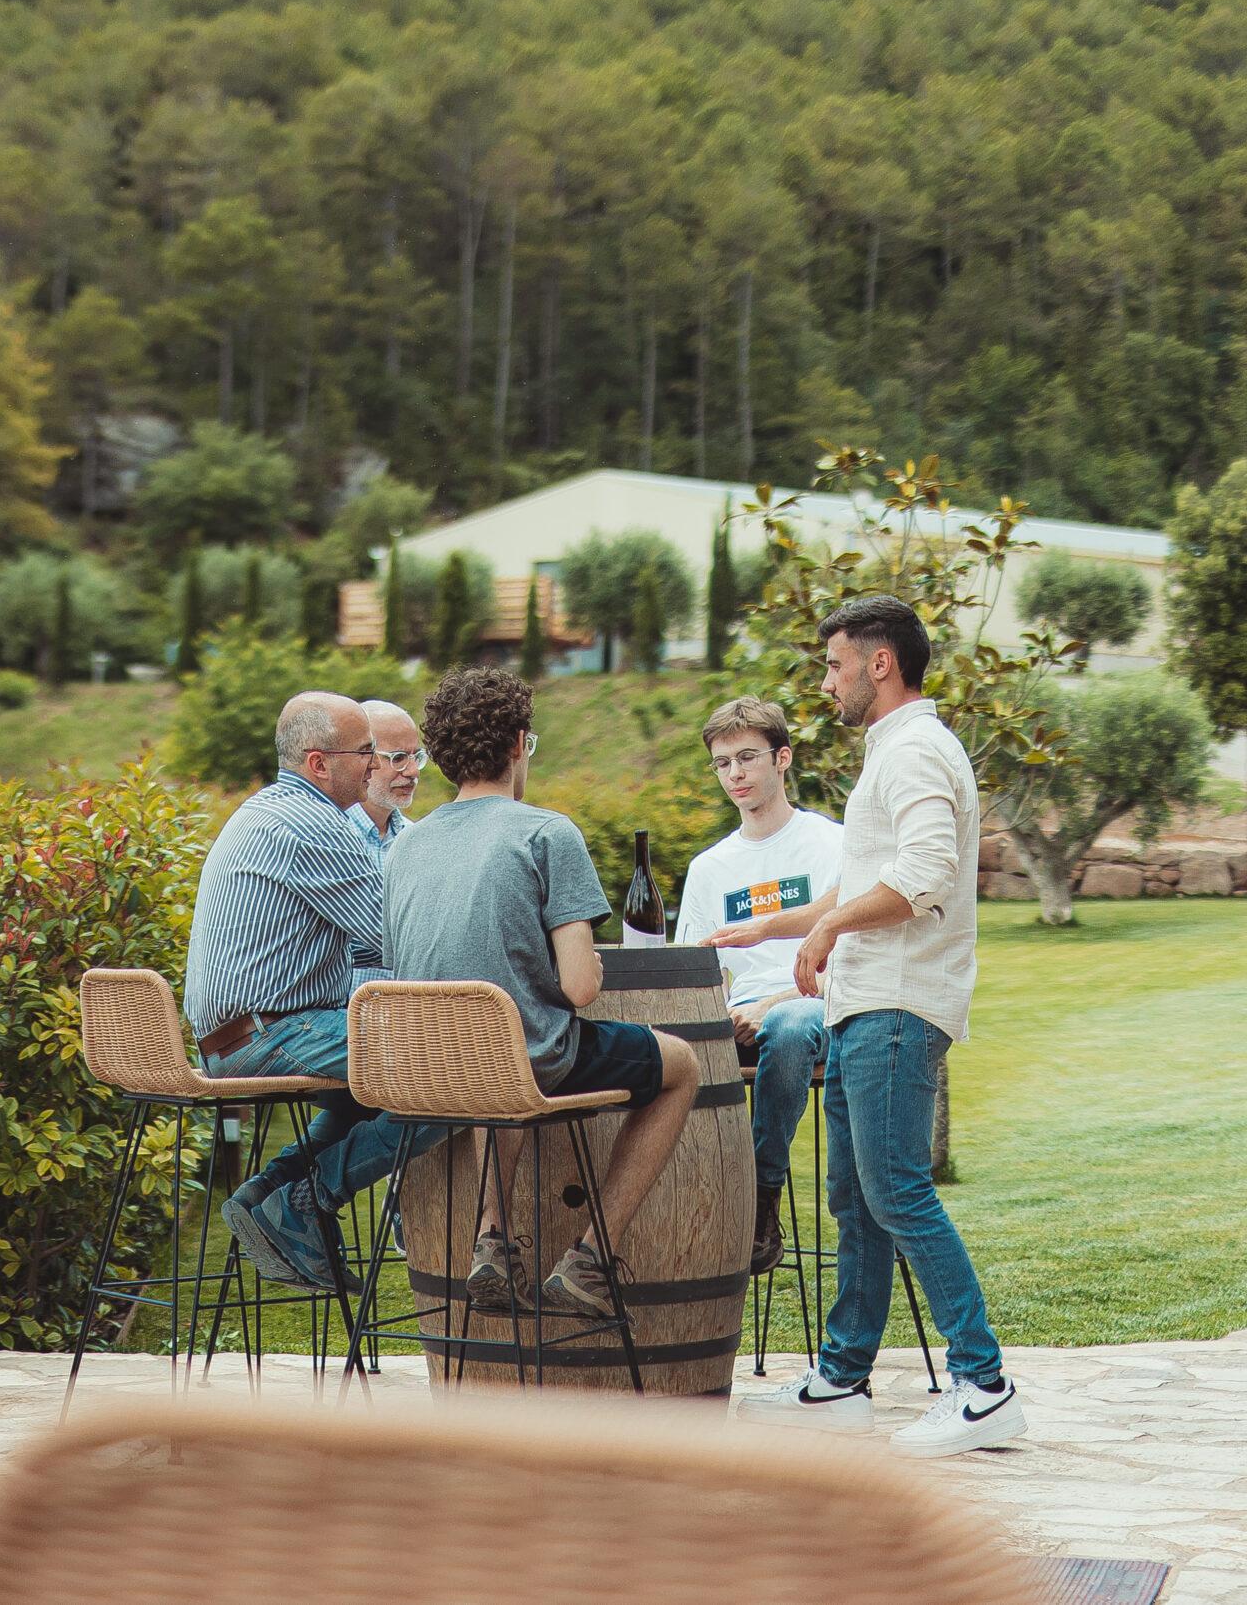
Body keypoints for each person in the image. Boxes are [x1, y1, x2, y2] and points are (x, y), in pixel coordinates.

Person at [722, 594, 1026, 1456]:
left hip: (897, 1004)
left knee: (895, 1189)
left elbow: (925, 875)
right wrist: (779, 926)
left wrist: (825, 930)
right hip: (865, 1004)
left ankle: (985, 1384)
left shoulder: (918, 750)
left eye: (834, 664)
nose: (826, 682)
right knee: (856, 1200)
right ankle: (841, 1380)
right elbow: (867, 882)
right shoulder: (894, 752)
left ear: (879, 662)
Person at [383, 667, 700, 1318]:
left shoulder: (404, 847)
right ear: (519, 744)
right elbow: (581, 988)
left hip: (425, 1070)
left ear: (441, 755)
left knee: (498, 1068)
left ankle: (492, 1240)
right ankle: (590, 1258)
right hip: (522, 1063)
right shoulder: (546, 833)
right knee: (683, 1067)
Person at [187, 691, 417, 1294]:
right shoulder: (312, 825)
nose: (377, 765)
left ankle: (269, 1193)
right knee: (456, 1074)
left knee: (369, 1093)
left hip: (243, 1031)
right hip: (267, 1034)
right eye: (365, 751)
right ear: (319, 763)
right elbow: (397, 937)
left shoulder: (270, 810)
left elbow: (367, 950)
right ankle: (305, 1202)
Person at [674, 697, 844, 1276]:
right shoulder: (710, 867)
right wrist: (720, 1014)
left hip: (813, 1008)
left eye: (747, 758)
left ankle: (758, 1195)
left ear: (783, 759)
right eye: (722, 764)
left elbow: (845, 956)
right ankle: (679, 1215)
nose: (735, 774)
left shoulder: (830, 844)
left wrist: (774, 1002)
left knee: (790, 1024)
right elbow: (695, 972)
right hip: (737, 1023)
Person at [344, 699, 424, 865]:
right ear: (360, 758)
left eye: (417, 757)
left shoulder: (416, 838)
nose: (413, 771)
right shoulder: (329, 834)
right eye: (398, 758)